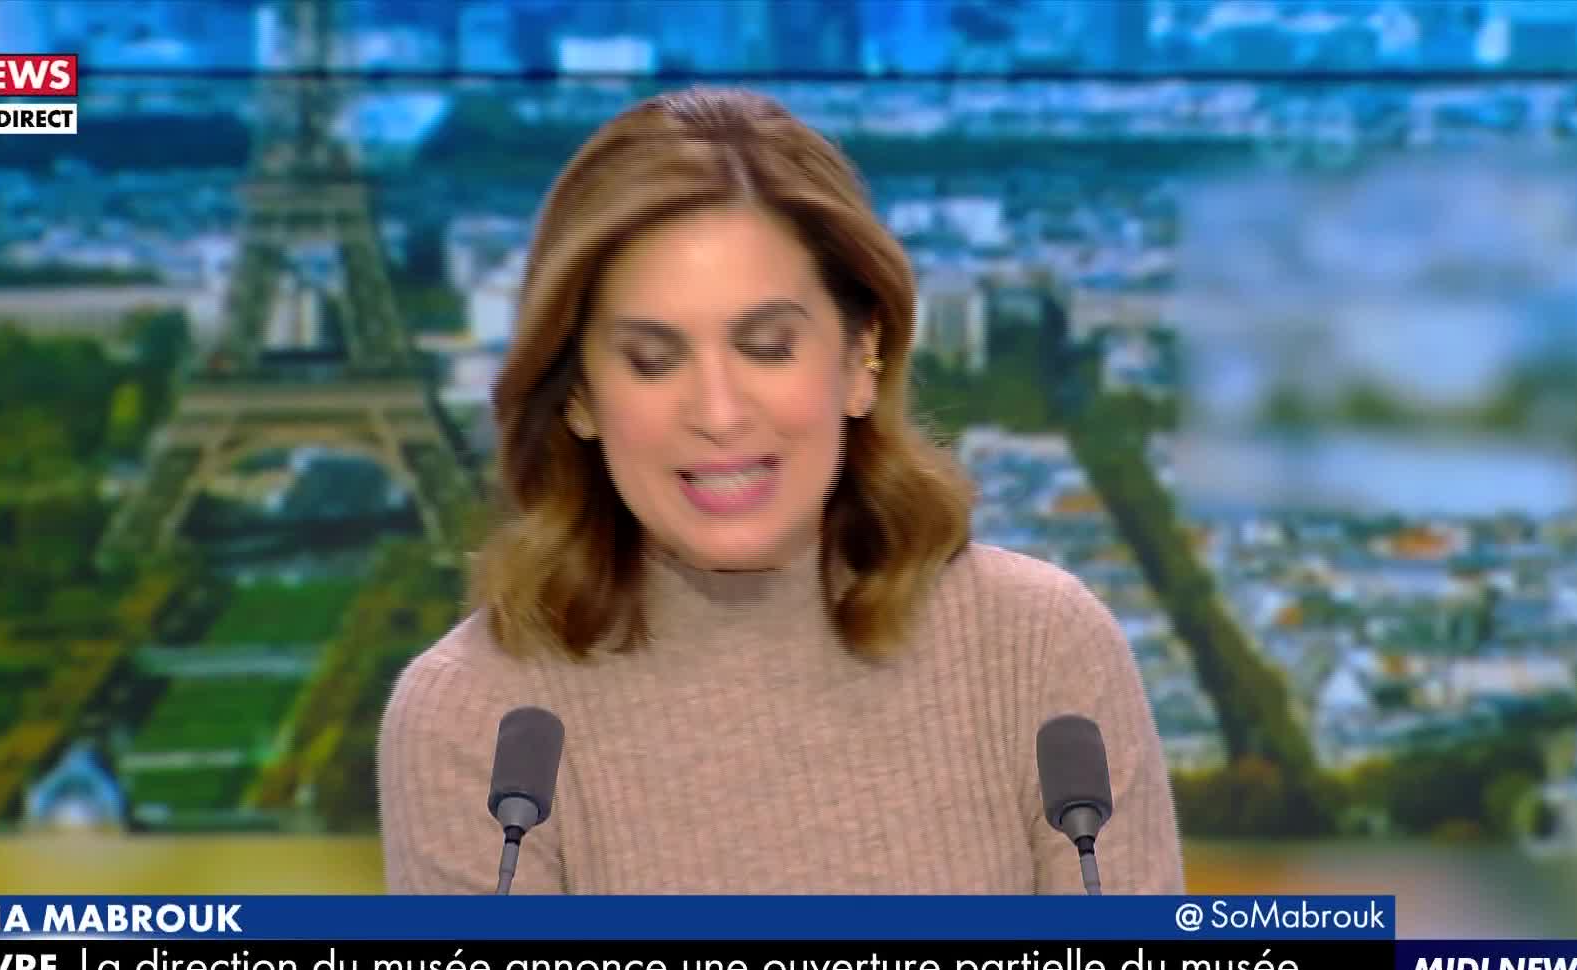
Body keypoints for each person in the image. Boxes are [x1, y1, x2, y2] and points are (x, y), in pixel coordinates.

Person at [378, 86, 1185, 895]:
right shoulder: (481, 721)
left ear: (861, 357)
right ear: (578, 394)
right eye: (652, 360)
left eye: (767, 346)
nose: (719, 413)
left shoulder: (1040, 652)